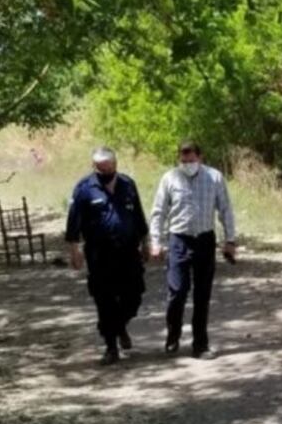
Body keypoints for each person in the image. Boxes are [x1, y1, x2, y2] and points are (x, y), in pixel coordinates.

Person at [148, 140, 236, 359]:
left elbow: (225, 209)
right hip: (178, 240)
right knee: (177, 292)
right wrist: (155, 242)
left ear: (200, 158)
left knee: (202, 295)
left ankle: (200, 344)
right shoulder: (170, 178)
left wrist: (230, 240)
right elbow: (159, 211)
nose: (188, 164)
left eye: (192, 160)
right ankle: (173, 335)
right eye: (183, 160)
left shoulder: (214, 177)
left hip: (205, 240)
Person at [65, 147, 150, 365]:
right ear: (94, 167)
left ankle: (119, 326)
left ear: (116, 164)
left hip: (128, 252)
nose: (106, 171)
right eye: (101, 168)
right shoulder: (84, 188)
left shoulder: (127, 184)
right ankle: (111, 347)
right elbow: (73, 221)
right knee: (105, 301)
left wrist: (145, 243)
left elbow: (138, 215)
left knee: (134, 296)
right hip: (99, 255)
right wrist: (74, 250)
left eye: (109, 167)